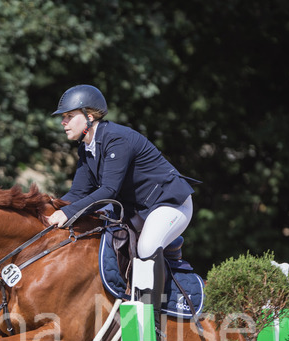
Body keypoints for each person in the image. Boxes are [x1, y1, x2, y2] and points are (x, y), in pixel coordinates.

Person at [46, 84, 196, 323]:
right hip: (140, 208)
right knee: (110, 237)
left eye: (68, 116)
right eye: (63, 118)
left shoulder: (116, 138)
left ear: (90, 116)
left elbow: (108, 190)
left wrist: (68, 212)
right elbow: (78, 192)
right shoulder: (87, 147)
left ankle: (151, 321)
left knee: (147, 247)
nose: (63, 122)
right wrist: (47, 208)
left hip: (170, 203)